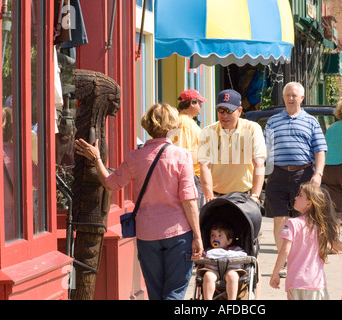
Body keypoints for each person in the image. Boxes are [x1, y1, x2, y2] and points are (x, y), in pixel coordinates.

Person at [74, 103, 203, 300]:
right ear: (172, 126)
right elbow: (189, 199)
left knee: (155, 292)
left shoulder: (135, 157)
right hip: (178, 233)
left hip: (147, 234)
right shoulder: (181, 156)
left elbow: (111, 183)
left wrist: (96, 159)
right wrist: (197, 235)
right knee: (174, 292)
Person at [263, 82, 327, 263]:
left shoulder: (311, 122)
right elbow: (264, 150)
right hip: (278, 175)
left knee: (303, 219)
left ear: (302, 98)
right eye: (287, 95)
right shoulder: (273, 121)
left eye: (294, 95)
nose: (290, 98)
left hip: (304, 175)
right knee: (279, 219)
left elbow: (320, 150)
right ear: (283, 98)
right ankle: (284, 261)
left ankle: (301, 260)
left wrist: (318, 174)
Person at [269, 182, 342, 300]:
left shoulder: (292, 224)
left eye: (300, 195)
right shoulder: (322, 227)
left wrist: (275, 273)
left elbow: (284, 251)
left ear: (309, 203)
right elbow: (338, 246)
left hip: (296, 282)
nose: (296, 197)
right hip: (316, 283)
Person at [198, 89, 266, 204]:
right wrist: (209, 196)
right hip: (217, 196)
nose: (224, 115)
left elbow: (259, 163)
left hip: (244, 196)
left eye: (229, 111)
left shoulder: (252, 129)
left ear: (239, 111)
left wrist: (255, 196)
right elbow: (205, 166)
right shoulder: (208, 132)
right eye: (221, 110)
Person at [172, 89, 206, 209]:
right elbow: (181, 150)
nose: (201, 105)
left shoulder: (184, 121)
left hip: (192, 175)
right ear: (192, 103)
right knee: (193, 213)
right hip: (191, 176)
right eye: (199, 102)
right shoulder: (185, 123)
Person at [200, 222, 247, 300]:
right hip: (213, 270)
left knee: (233, 276)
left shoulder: (235, 249)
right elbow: (201, 256)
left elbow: (243, 255)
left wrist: (227, 254)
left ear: (228, 241)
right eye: (213, 235)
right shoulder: (209, 251)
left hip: (231, 269)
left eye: (220, 236)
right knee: (208, 276)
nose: (215, 238)